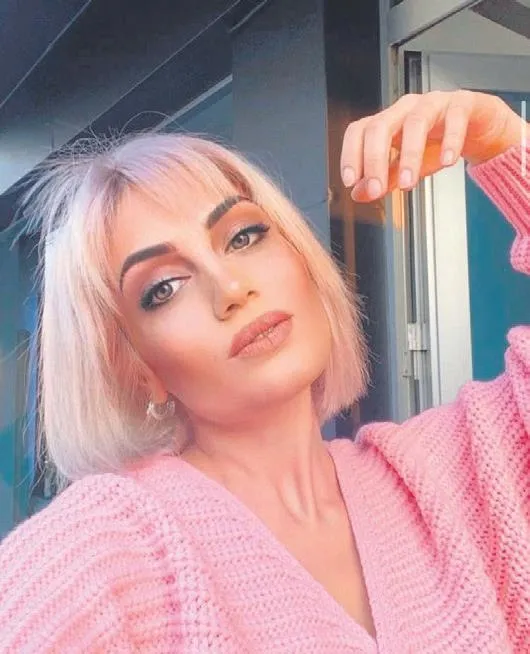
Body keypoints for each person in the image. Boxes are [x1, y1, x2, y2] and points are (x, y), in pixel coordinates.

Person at [0, 89, 528, 653]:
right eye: (165, 288)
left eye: (243, 237)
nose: (230, 288)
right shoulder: (109, 553)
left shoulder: (454, 473)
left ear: (302, 258)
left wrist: (506, 142)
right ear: (138, 368)